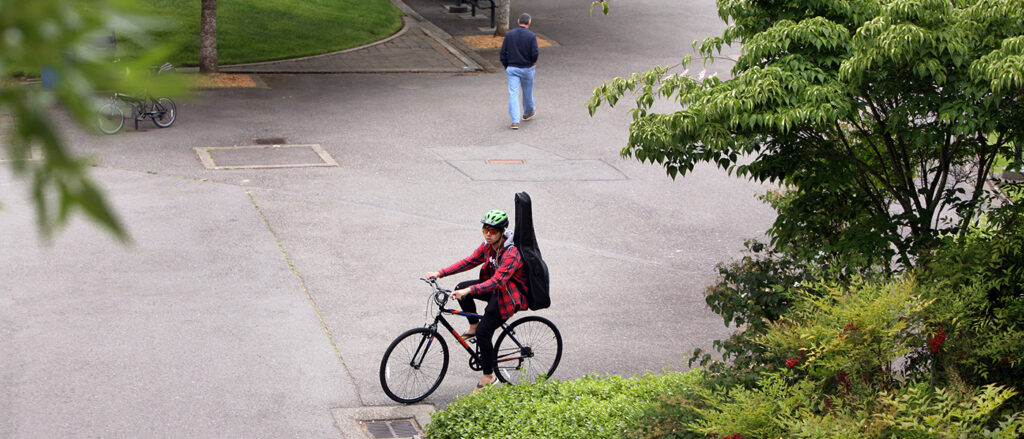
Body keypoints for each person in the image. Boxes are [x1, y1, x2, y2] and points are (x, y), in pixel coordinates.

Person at [425, 209, 529, 390]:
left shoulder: (511, 254)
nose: (488, 234)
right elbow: (468, 261)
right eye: (485, 230)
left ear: (502, 231)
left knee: (484, 332)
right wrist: (440, 273)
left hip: (509, 297)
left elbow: (497, 281)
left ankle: (489, 376)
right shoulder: (488, 247)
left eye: (493, 231)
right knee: (460, 288)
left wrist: (469, 290)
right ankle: (473, 325)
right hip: (496, 290)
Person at [499, 13, 539, 130]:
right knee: (527, 91)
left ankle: (515, 121)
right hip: (527, 68)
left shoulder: (509, 35)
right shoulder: (531, 36)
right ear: (529, 22)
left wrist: (507, 65)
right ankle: (528, 112)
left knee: (513, 93)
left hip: (512, 68)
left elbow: (503, 53)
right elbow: (535, 52)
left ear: (518, 21)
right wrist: (533, 62)